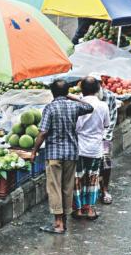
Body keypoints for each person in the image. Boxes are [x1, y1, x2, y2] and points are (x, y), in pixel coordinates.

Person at [31, 79, 94, 234]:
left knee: (54, 187)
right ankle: (64, 219)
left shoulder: (50, 108)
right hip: (71, 153)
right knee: (67, 187)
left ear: (52, 93)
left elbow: (43, 132)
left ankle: (58, 223)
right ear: (66, 92)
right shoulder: (74, 106)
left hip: (54, 154)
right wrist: (71, 96)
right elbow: (89, 107)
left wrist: (34, 151)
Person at [73, 77, 111, 220]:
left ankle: (78, 209)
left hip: (79, 147)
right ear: (97, 89)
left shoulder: (77, 105)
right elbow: (106, 125)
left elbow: (75, 127)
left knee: (78, 178)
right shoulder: (103, 106)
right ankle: (90, 209)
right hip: (95, 148)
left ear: (82, 89)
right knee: (93, 178)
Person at [99, 87, 118, 205]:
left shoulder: (109, 96)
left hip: (104, 136)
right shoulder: (83, 96)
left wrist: (104, 137)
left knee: (106, 161)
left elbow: (112, 119)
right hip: (89, 138)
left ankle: (105, 189)